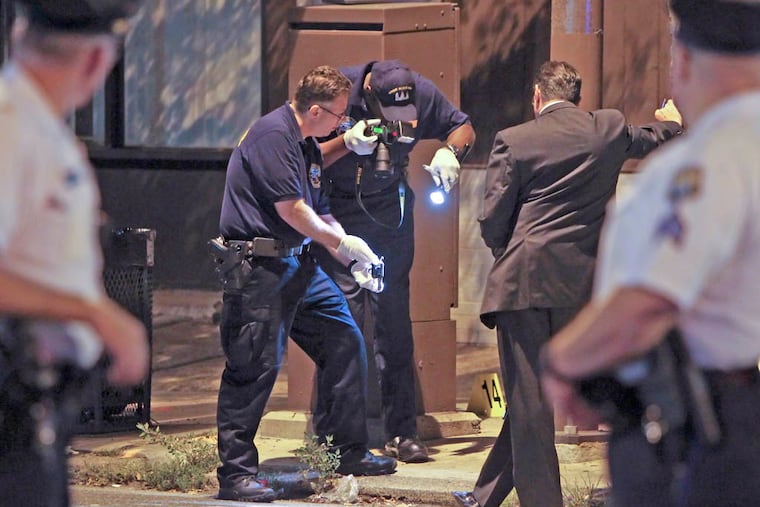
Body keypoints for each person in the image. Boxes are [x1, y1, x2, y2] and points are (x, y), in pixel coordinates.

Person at [540, 1, 760, 506]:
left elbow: (650, 300)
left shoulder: (708, 160)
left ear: (681, 59)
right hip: (724, 408)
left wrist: (562, 362)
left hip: (691, 423)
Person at [452, 60, 683, 507]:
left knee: (530, 401)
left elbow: (493, 220)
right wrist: (671, 123)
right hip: (580, 288)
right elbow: (650, 137)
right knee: (526, 398)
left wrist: (508, 256)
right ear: (577, 99)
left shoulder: (514, 140)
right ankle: (484, 497)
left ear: (537, 97)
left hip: (524, 285)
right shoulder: (608, 129)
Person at [214, 65, 397, 503]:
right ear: (315, 110)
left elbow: (320, 211)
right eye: (338, 116)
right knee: (253, 364)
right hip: (259, 268)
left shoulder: (306, 146)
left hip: (298, 264)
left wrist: (353, 254)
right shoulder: (272, 136)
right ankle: (236, 474)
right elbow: (293, 210)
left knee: (344, 340)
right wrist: (341, 240)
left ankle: (346, 450)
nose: (343, 124)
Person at [0, 2, 150, 506]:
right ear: (93, 62)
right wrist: (95, 314)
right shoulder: (11, 128)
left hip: (36, 405)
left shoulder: (39, 126)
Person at [314, 60, 476, 463]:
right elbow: (300, 154)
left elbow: (463, 125)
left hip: (391, 215)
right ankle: (334, 434)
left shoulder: (418, 88)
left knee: (394, 325)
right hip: (339, 216)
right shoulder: (341, 90)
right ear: (369, 93)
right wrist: (345, 144)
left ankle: (402, 432)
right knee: (342, 322)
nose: (401, 124)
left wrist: (451, 152)